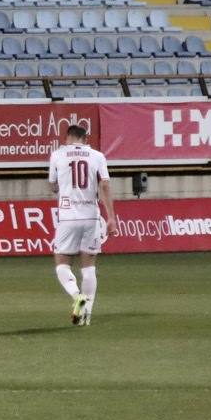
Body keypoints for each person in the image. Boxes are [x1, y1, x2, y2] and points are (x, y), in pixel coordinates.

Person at [48, 123, 117, 327]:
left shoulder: (57, 155)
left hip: (68, 216)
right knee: (89, 267)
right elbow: (104, 185)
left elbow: (53, 186)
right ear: (85, 139)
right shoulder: (97, 156)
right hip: (91, 217)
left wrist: (62, 185)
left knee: (61, 263)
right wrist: (111, 217)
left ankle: (77, 296)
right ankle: (86, 314)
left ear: (67, 137)